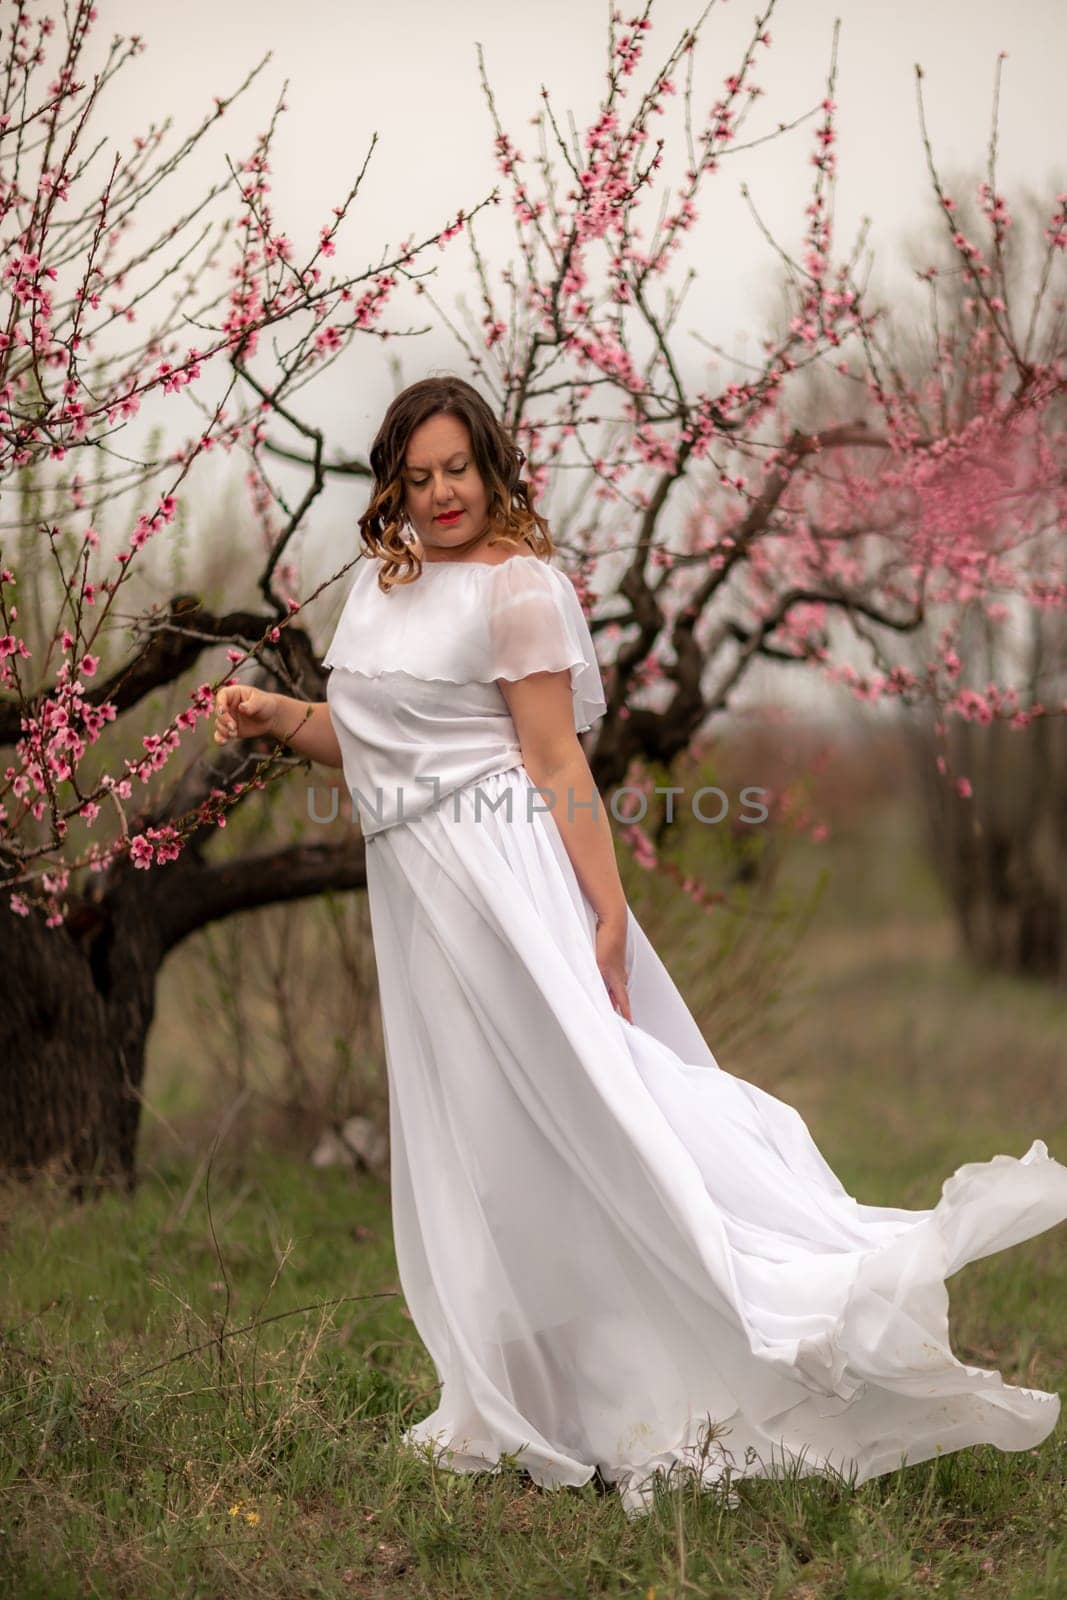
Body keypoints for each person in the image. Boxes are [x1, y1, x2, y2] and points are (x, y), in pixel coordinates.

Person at [214, 373, 1067, 1519]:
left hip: (508, 890)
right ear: (392, 490)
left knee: (591, 1117)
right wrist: (280, 722)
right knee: (486, 1145)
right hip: (420, 905)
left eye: (456, 467)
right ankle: (539, 1391)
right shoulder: (382, 587)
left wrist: (605, 913)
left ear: (491, 464)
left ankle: (718, 1341)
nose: (439, 492)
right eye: (415, 477)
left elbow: (554, 763)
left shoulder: (516, 591)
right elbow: (377, 749)